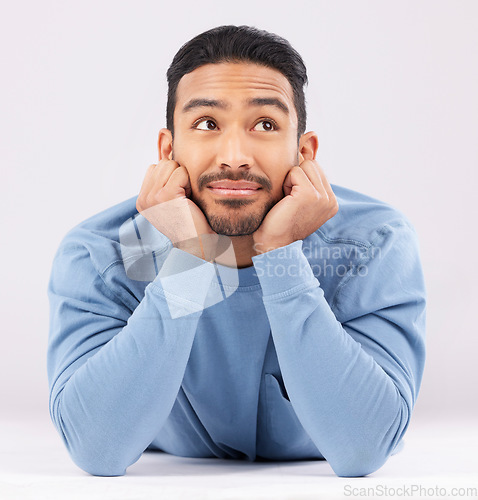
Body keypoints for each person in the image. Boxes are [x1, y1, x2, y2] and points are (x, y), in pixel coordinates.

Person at [47, 25, 426, 478]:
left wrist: (279, 255)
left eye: (265, 124)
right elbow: (98, 449)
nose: (234, 156)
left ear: (304, 153)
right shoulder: (103, 253)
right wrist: (191, 257)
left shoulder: (373, 244)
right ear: (168, 149)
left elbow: (363, 447)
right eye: (207, 124)